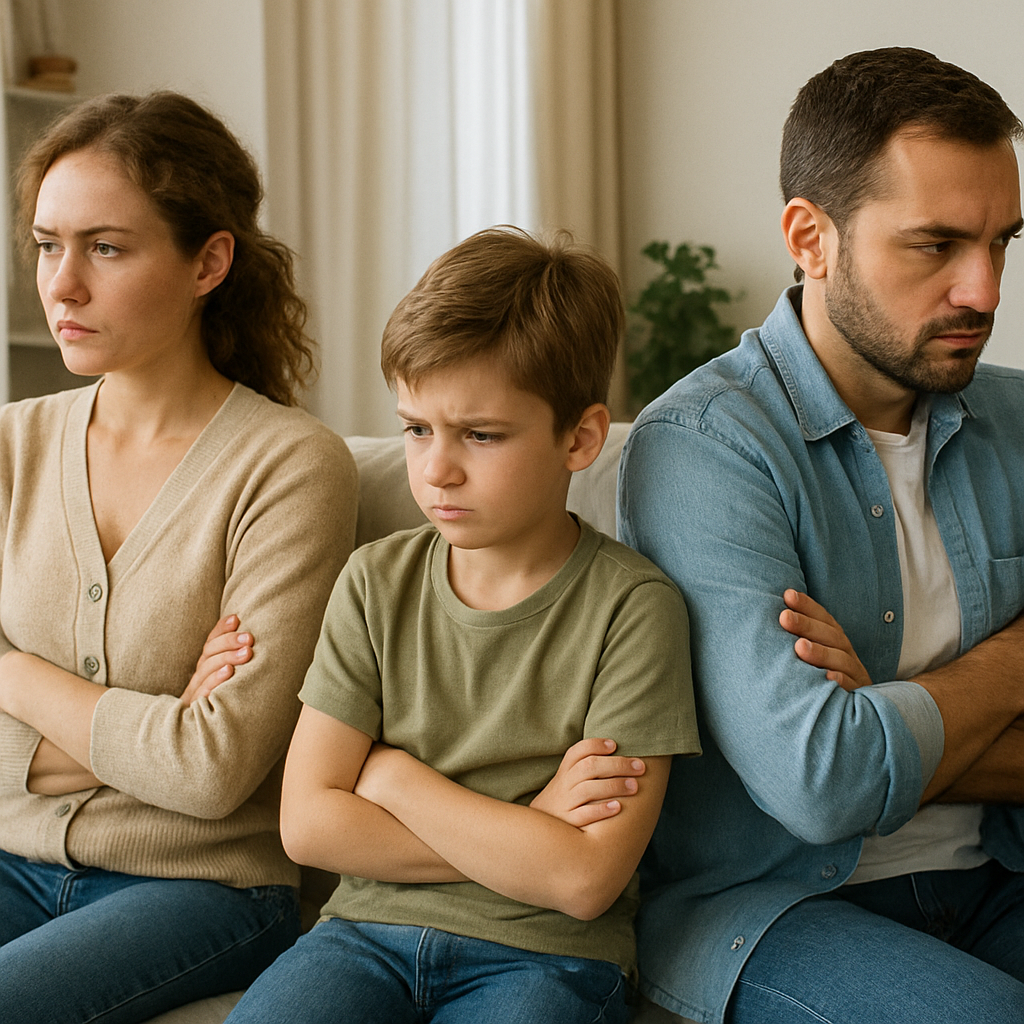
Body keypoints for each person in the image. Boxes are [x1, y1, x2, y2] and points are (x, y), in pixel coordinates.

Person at [617, 48, 1024, 1024]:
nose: (985, 291)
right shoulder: (703, 447)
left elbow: (844, 761)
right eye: (934, 245)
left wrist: (879, 715)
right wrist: (1011, 665)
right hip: (772, 908)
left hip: (995, 872)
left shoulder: (1016, 423)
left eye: (1003, 242)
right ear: (811, 236)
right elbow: (818, 784)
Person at [225, 226, 700, 1024]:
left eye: (480, 435)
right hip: (362, 935)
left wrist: (392, 779)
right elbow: (307, 826)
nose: (436, 469)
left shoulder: (633, 608)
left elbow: (582, 881)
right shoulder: (375, 581)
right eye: (416, 428)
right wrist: (530, 830)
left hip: (547, 957)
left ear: (580, 437)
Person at [0, 92, 358, 1022]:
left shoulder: (289, 466)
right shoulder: (11, 446)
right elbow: (183, 746)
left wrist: (9, 673)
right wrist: (152, 723)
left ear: (209, 261)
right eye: (48, 244)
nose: (61, 285)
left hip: (201, 889)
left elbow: (214, 769)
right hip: (13, 857)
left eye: (105, 248)